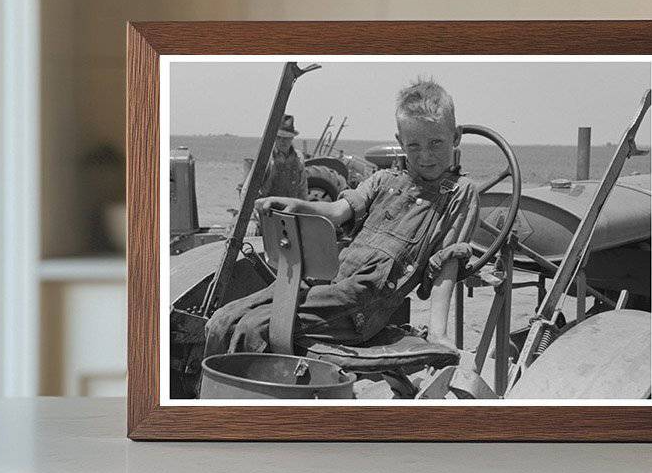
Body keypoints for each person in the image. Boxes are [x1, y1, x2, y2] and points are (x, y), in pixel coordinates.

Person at [204, 77, 479, 359]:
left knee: (254, 328)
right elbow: (335, 212)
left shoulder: (459, 192)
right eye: (414, 146)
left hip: (360, 303)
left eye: (436, 143)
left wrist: (438, 335)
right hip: (324, 280)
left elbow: (448, 262)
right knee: (223, 319)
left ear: (455, 137)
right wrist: (296, 204)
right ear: (400, 142)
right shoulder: (383, 180)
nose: (425, 156)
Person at [254, 114, 307, 202]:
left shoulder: (299, 158)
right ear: (274, 138)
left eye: (286, 138)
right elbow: (251, 188)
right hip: (267, 209)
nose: (282, 141)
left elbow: (303, 188)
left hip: (291, 209)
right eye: (279, 137)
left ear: (292, 138)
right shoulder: (267, 158)